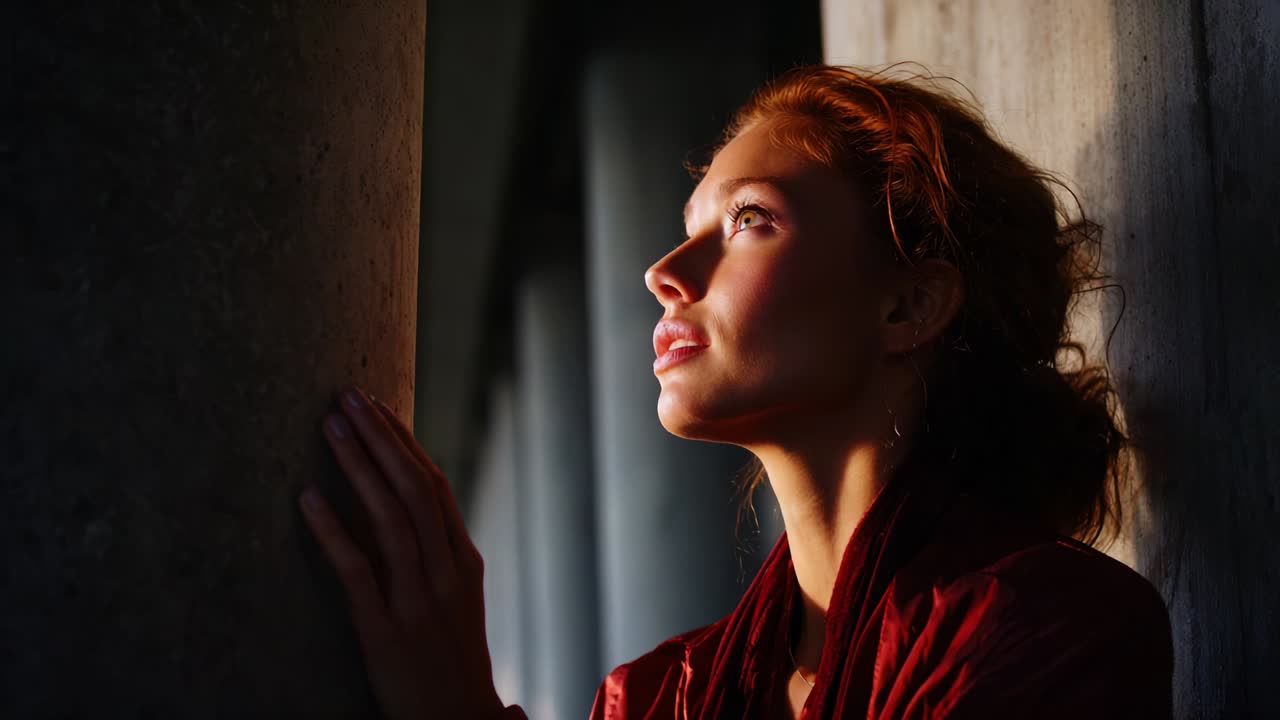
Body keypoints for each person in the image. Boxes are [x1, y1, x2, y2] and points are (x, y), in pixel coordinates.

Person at [297, 65, 1173, 719]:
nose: (664, 273)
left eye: (749, 221)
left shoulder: (1054, 629)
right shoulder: (651, 698)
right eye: (689, 229)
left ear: (908, 304)